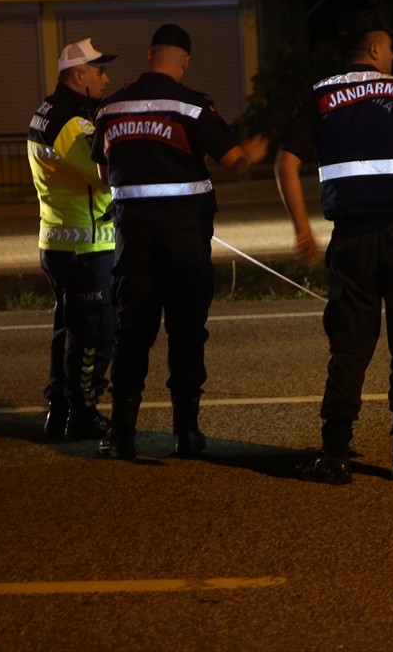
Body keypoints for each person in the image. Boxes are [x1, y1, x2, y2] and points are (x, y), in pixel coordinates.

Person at [274, 9, 393, 485]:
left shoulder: (319, 97)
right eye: (391, 47)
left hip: (352, 240)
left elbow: (285, 162)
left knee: (349, 346)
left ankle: (336, 455)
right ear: (376, 49)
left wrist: (303, 229)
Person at [90, 23, 268, 460]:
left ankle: (122, 435)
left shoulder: (110, 109)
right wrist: (252, 154)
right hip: (185, 240)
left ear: (150, 55)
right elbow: (235, 162)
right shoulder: (192, 107)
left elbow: (102, 173)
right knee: (186, 331)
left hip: (133, 240)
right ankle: (186, 434)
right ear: (184, 62)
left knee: (133, 330)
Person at [27, 38, 119, 441]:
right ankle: (82, 412)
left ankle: (59, 409)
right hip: (86, 245)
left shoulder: (47, 112)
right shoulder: (71, 124)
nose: (106, 78)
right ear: (78, 75)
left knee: (68, 330)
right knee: (94, 335)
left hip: (59, 240)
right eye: (100, 71)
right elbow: (103, 174)